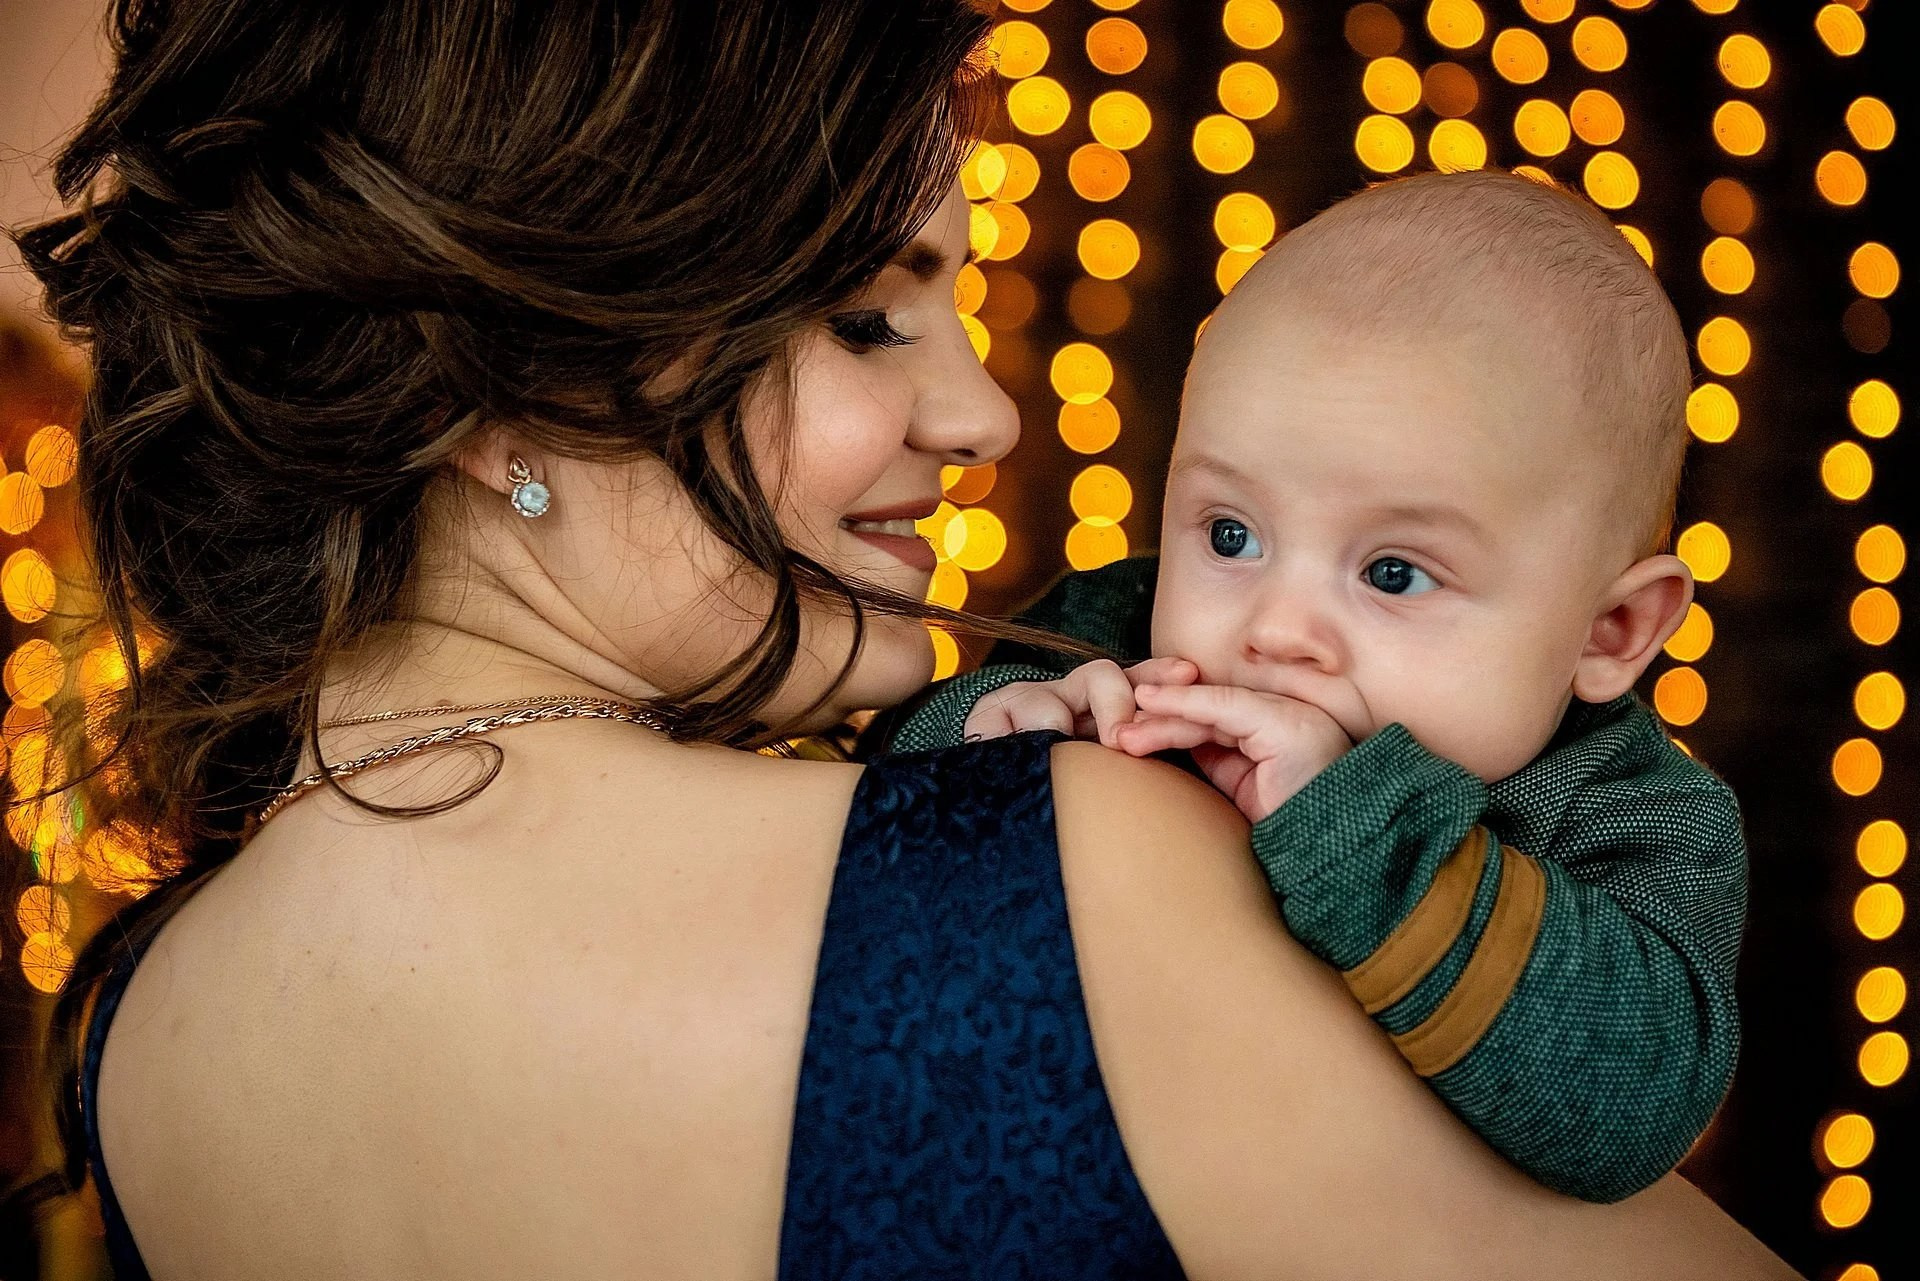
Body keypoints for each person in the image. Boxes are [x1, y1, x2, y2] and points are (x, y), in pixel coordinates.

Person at [3, 2, 1798, 1277]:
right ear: (506, 388)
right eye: (873, 321)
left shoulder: (148, 1037)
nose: (987, 419)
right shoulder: (1066, 873)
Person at [886, 171, 1744, 1204]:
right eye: (1231, 535)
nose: (1277, 630)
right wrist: (981, 741)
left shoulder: (1631, 817)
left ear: (1609, 632)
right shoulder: (1110, 641)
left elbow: (1629, 1111)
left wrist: (1358, 827)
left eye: (1394, 573)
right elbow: (876, 843)